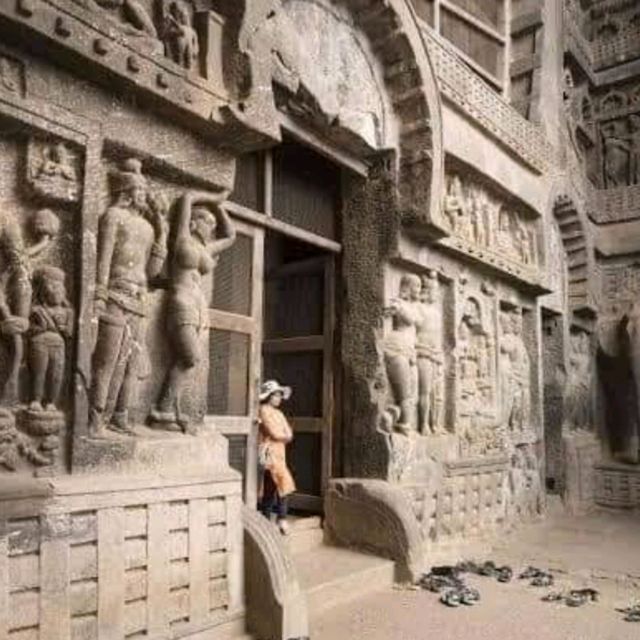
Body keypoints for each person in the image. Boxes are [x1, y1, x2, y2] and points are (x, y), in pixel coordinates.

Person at [150, 191, 236, 432]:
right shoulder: (183, 240)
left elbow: (231, 236)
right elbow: (187, 197)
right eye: (207, 222)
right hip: (181, 301)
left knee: (188, 359)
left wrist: (219, 208)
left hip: (199, 307)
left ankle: (164, 410)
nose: (211, 227)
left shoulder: (206, 247)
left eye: (212, 224)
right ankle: (162, 409)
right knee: (191, 357)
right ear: (193, 222)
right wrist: (211, 196)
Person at [257, 380, 296, 535]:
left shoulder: (279, 413)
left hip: (280, 453)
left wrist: (285, 436)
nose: (279, 398)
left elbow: (289, 432)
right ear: (268, 396)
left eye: (280, 395)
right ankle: (282, 518)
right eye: (276, 395)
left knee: (271, 487)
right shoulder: (263, 410)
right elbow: (274, 432)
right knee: (284, 484)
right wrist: (283, 436)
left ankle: (266, 519)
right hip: (269, 452)